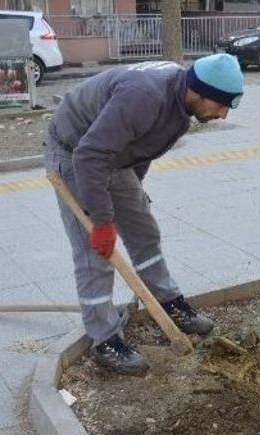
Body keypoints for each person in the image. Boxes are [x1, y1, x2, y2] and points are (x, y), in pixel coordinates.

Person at [44, 54, 244, 374]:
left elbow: (144, 147)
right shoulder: (145, 96)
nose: (222, 114)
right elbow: (89, 155)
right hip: (75, 152)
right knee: (97, 252)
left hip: (111, 155)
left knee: (144, 231)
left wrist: (133, 192)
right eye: (221, 104)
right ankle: (105, 338)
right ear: (198, 92)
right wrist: (103, 221)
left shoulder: (179, 110)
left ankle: (169, 302)